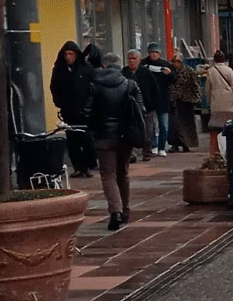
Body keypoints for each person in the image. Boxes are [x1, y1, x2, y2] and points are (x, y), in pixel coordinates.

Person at [84, 52, 145, 231]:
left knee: (108, 175)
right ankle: (125, 211)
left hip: (103, 136)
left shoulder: (94, 86)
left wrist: (93, 128)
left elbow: (87, 112)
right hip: (126, 136)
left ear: (104, 66)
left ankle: (115, 212)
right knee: (122, 173)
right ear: (119, 66)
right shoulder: (130, 84)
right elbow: (141, 109)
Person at [49, 41, 96, 177]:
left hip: (85, 111)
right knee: (72, 141)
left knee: (86, 139)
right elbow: (54, 87)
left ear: (76, 54)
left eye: (71, 54)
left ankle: (87, 166)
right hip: (68, 111)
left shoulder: (86, 68)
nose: (68, 57)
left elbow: (93, 87)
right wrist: (59, 102)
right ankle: (78, 167)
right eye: (66, 54)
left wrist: (89, 105)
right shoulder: (59, 70)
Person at [123, 49, 159, 162]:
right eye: (129, 58)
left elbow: (155, 89)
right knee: (131, 131)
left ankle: (146, 152)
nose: (131, 61)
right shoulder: (124, 73)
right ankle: (132, 154)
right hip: (130, 108)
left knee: (148, 131)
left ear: (139, 60)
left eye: (134, 58)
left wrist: (153, 104)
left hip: (147, 108)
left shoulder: (146, 73)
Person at [142, 43, 174, 157]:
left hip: (163, 99)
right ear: (148, 53)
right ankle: (153, 146)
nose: (154, 54)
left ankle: (161, 147)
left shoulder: (166, 65)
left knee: (164, 125)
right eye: (152, 52)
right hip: (148, 99)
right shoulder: (143, 64)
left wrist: (169, 74)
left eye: (156, 52)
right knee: (150, 126)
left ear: (159, 54)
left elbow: (174, 79)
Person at [167, 53, 200, 153]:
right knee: (174, 124)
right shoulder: (170, 72)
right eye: (174, 62)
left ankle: (186, 144)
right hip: (174, 100)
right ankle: (174, 144)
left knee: (186, 124)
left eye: (178, 62)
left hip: (186, 101)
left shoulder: (189, 71)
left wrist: (195, 98)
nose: (176, 64)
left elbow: (196, 85)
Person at [203, 50, 233, 114]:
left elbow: (207, 89)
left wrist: (210, 100)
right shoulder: (229, 70)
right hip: (229, 101)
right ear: (224, 59)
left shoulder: (210, 71)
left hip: (216, 100)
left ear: (214, 60)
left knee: (217, 119)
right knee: (228, 118)